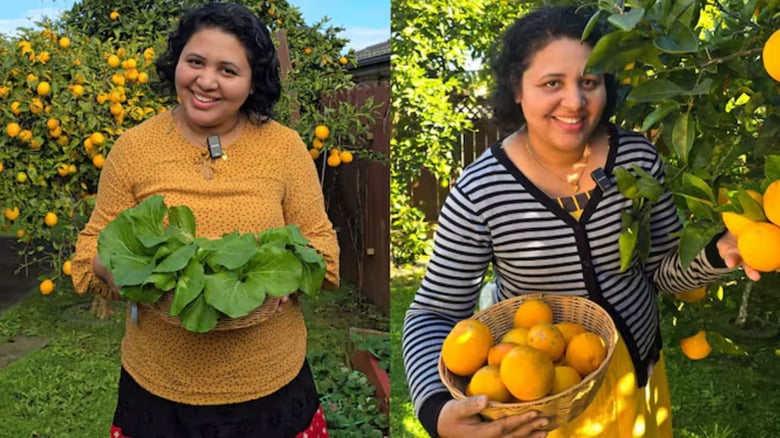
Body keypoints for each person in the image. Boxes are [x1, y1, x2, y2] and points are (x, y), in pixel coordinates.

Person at [401, 6, 759, 438]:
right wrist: (435, 409)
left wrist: (718, 253)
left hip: (635, 380)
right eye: (552, 83)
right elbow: (434, 310)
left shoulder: (637, 160)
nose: (574, 102)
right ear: (517, 88)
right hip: (541, 398)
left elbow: (663, 270)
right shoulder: (481, 190)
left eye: (589, 82)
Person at [71, 3, 338, 437]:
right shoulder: (133, 148)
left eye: (228, 70)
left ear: (253, 82)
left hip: (271, 387)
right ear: (176, 62)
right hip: (157, 392)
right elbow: (89, 251)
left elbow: (322, 247)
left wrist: (285, 278)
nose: (206, 81)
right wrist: (120, 270)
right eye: (195, 61)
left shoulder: (285, 149)